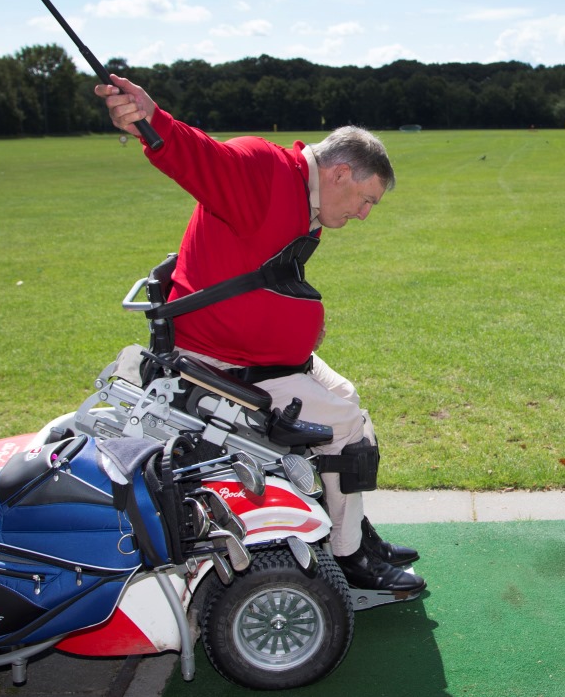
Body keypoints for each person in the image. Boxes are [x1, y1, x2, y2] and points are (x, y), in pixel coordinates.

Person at [95, 74, 424, 594]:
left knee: (345, 398)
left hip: (257, 357)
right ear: (340, 173)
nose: (363, 215)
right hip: (220, 362)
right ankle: (351, 556)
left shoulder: (305, 197)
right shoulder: (264, 169)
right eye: (366, 200)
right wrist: (150, 119)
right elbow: (199, 157)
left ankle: (353, 530)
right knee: (342, 421)